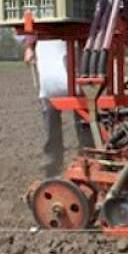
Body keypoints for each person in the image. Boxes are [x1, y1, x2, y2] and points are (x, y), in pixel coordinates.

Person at [24, 36, 89, 178]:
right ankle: (52, 163)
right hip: (48, 53)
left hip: (72, 47)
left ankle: (88, 158)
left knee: (82, 111)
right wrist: (29, 46)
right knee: (50, 110)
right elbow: (33, 24)